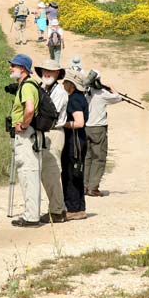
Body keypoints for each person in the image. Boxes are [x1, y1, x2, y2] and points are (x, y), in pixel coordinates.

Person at [8, 53, 43, 227]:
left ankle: (31, 217)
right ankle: (31, 214)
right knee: (29, 173)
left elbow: (29, 109)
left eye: (13, 65)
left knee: (28, 173)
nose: (10, 68)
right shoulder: (28, 84)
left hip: (27, 135)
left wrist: (22, 125)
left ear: (23, 69)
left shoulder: (28, 86)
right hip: (30, 134)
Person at [34, 59, 67, 224]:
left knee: (51, 172)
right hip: (42, 132)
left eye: (51, 71)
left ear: (57, 74)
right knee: (45, 173)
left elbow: (50, 114)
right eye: (45, 70)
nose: (47, 73)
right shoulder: (41, 88)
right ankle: (56, 208)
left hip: (53, 133)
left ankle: (57, 211)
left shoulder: (60, 92)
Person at [84, 72, 123, 197]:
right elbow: (118, 97)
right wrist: (110, 87)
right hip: (98, 129)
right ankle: (93, 187)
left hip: (85, 128)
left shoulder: (85, 92)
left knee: (87, 158)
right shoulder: (101, 94)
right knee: (99, 158)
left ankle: (84, 186)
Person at [61, 69, 89, 221]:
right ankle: (78, 207)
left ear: (71, 84)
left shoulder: (75, 99)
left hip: (75, 141)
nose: (63, 83)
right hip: (78, 140)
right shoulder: (78, 97)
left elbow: (79, 122)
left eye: (65, 81)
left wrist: (61, 124)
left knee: (72, 173)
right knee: (75, 173)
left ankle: (74, 208)